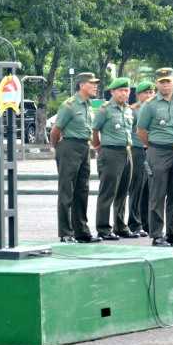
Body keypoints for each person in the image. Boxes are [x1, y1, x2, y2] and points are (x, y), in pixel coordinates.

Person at [136, 67, 173, 247]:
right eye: (162, 82)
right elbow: (141, 131)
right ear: (157, 83)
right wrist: (153, 146)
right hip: (158, 151)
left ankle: (172, 233)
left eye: (168, 81)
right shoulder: (149, 105)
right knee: (157, 194)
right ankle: (157, 235)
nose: (165, 84)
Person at [50, 72, 102, 243]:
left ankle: (81, 230)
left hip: (84, 148)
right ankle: (65, 232)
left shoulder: (88, 104)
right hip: (69, 146)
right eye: (92, 83)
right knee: (67, 190)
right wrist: (57, 148)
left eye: (96, 83)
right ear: (81, 85)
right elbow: (55, 131)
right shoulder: (69, 105)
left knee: (82, 190)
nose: (95, 86)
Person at [93, 77, 137, 240]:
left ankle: (120, 226)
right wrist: (99, 148)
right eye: (120, 90)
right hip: (110, 152)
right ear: (112, 92)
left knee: (123, 191)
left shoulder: (127, 109)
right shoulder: (105, 109)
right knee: (108, 192)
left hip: (126, 152)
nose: (124, 93)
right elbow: (95, 130)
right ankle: (103, 228)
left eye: (126, 91)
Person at [127, 80, 155, 237]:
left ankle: (146, 223)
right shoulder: (133, 111)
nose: (150, 95)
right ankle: (134, 223)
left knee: (148, 189)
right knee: (136, 188)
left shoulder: (154, 109)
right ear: (138, 95)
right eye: (146, 92)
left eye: (151, 92)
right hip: (137, 150)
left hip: (151, 150)